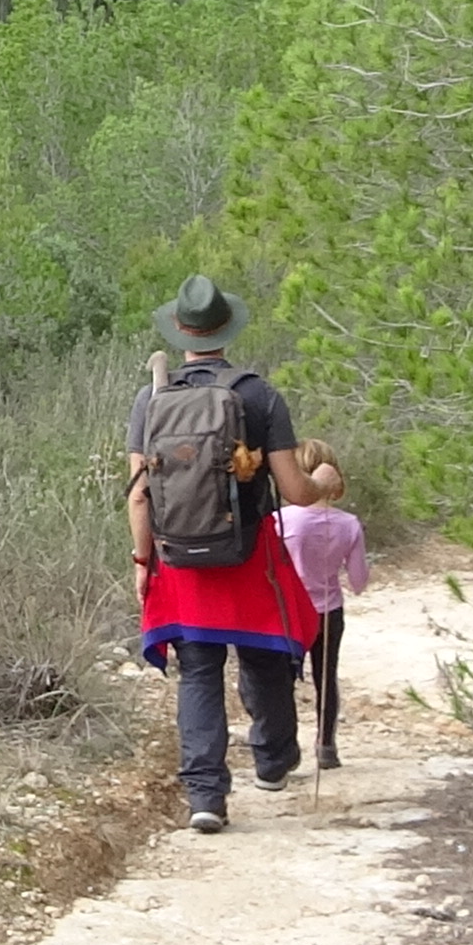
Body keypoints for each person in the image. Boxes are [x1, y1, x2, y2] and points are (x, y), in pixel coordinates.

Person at [124, 274, 320, 833]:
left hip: (180, 557)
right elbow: (296, 492)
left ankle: (206, 797)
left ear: (179, 330)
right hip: (249, 551)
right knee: (264, 656)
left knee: (199, 672)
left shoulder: (151, 399)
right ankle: (274, 760)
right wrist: (325, 480)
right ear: (226, 330)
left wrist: (143, 563)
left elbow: (140, 494)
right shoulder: (260, 395)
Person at [274, 438, 370, 773]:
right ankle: (326, 744)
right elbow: (359, 580)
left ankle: (283, 747)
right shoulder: (348, 524)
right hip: (329, 609)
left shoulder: (279, 521)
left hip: (288, 610)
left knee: (280, 679)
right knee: (326, 676)